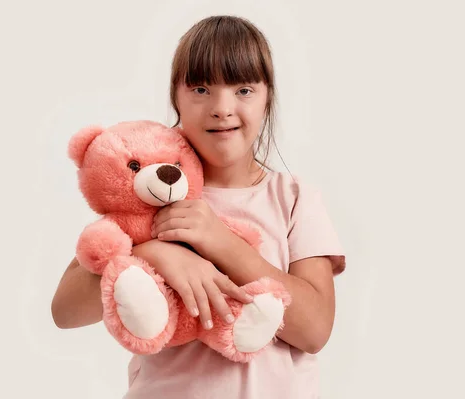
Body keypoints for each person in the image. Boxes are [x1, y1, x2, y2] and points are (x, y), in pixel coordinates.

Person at [51, 15, 346, 399]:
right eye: (201, 89)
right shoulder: (150, 189)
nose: (222, 108)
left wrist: (220, 242)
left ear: (267, 96)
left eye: (243, 89)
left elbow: (315, 331)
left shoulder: (292, 197)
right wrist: (155, 253)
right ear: (175, 96)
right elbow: (65, 312)